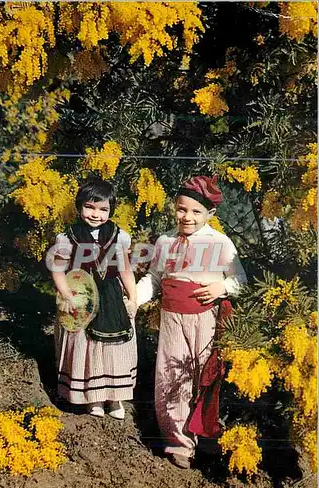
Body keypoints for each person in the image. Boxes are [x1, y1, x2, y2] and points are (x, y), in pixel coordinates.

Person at [136, 175, 247, 468]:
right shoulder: (165, 241)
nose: (187, 217)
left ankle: (205, 436)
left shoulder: (220, 243)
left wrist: (222, 288)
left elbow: (240, 280)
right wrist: (134, 299)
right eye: (182, 209)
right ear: (175, 208)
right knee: (172, 377)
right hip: (173, 319)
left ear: (210, 214)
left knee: (204, 376)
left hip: (206, 319)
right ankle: (179, 443)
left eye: (196, 211)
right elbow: (155, 279)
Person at [51, 177, 137, 420]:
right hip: (82, 295)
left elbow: (125, 269)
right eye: (90, 207)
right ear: (79, 207)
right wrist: (67, 295)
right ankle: (93, 399)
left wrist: (133, 297)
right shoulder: (68, 237)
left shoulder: (119, 236)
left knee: (113, 346)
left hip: (111, 297)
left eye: (103, 209)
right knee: (86, 346)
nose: (96, 214)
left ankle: (115, 398)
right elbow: (57, 269)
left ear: (111, 211)